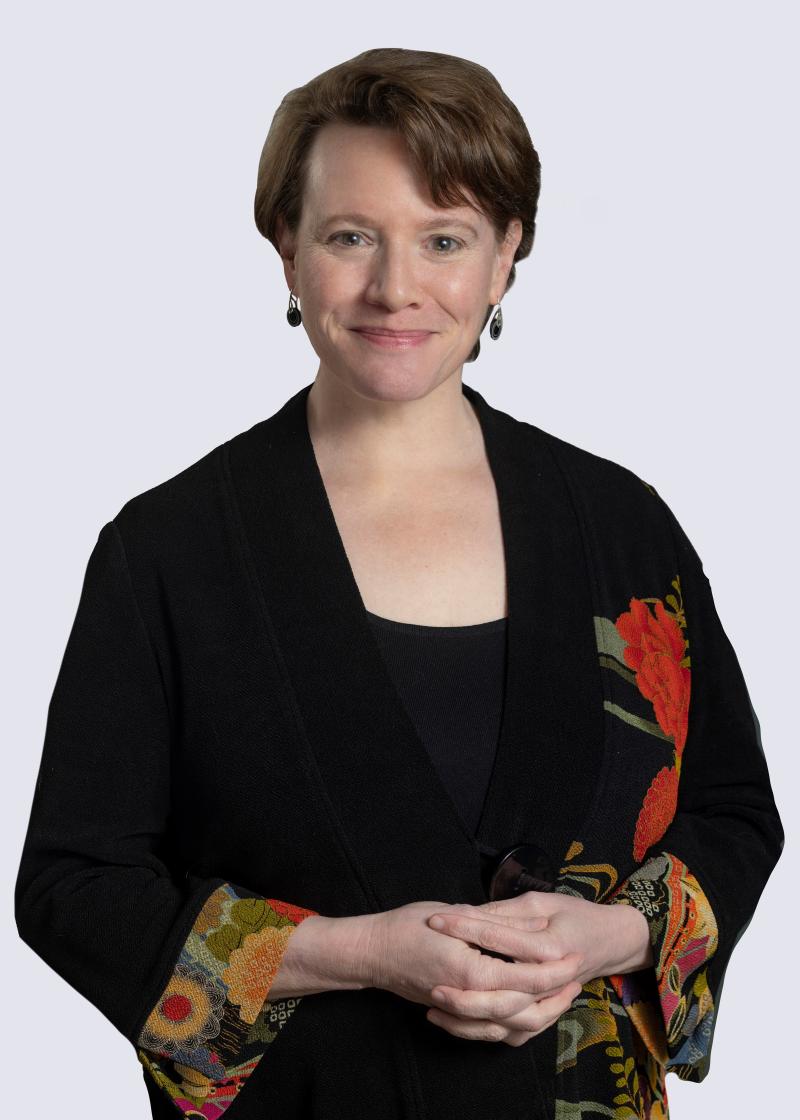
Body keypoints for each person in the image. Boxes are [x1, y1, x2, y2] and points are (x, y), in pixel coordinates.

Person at [14, 47, 783, 1120]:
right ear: (285, 247)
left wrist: (611, 932)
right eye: (348, 237)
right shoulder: (168, 553)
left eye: (443, 240)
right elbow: (72, 886)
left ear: (505, 255)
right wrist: (355, 953)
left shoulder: (622, 527)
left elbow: (732, 814)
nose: (394, 288)